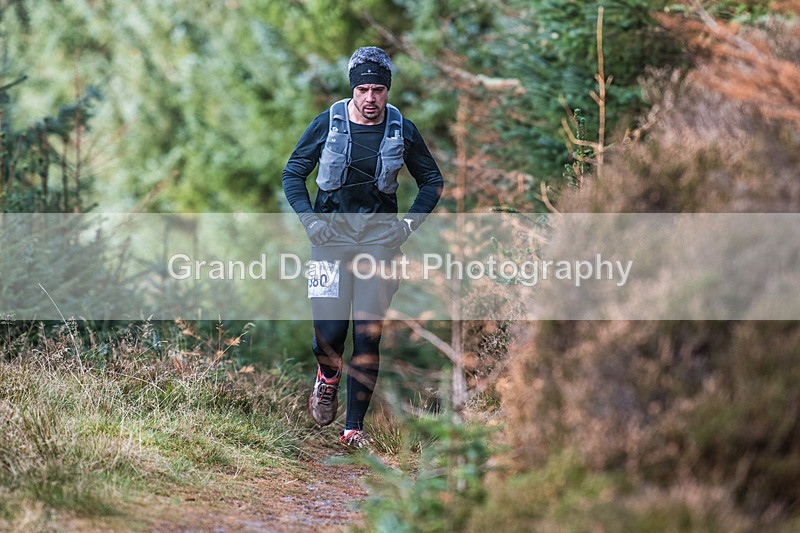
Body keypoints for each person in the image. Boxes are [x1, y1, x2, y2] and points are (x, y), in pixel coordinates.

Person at [282, 46, 444, 449]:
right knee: (330, 336)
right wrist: (310, 220)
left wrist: (406, 226)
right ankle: (327, 377)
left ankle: (353, 429)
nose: (371, 99)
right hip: (329, 241)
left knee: (368, 336)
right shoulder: (328, 123)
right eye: (364, 90)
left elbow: (432, 183)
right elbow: (292, 174)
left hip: (380, 244)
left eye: (378, 90)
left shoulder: (402, 129)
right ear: (353, 90)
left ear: (387, 90)